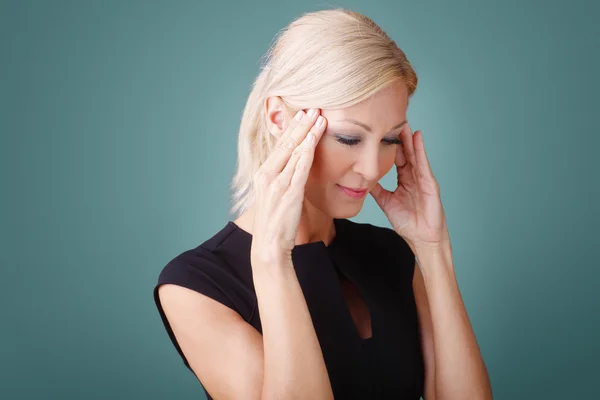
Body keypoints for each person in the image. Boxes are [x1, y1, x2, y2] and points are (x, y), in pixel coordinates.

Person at [153, 8, 493, 400]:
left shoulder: (388, 254)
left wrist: (434, 251)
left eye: (390, 140)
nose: (371, 169)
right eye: (349, 139)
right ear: (280, 118)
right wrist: (273, 262)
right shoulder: (196, 285)